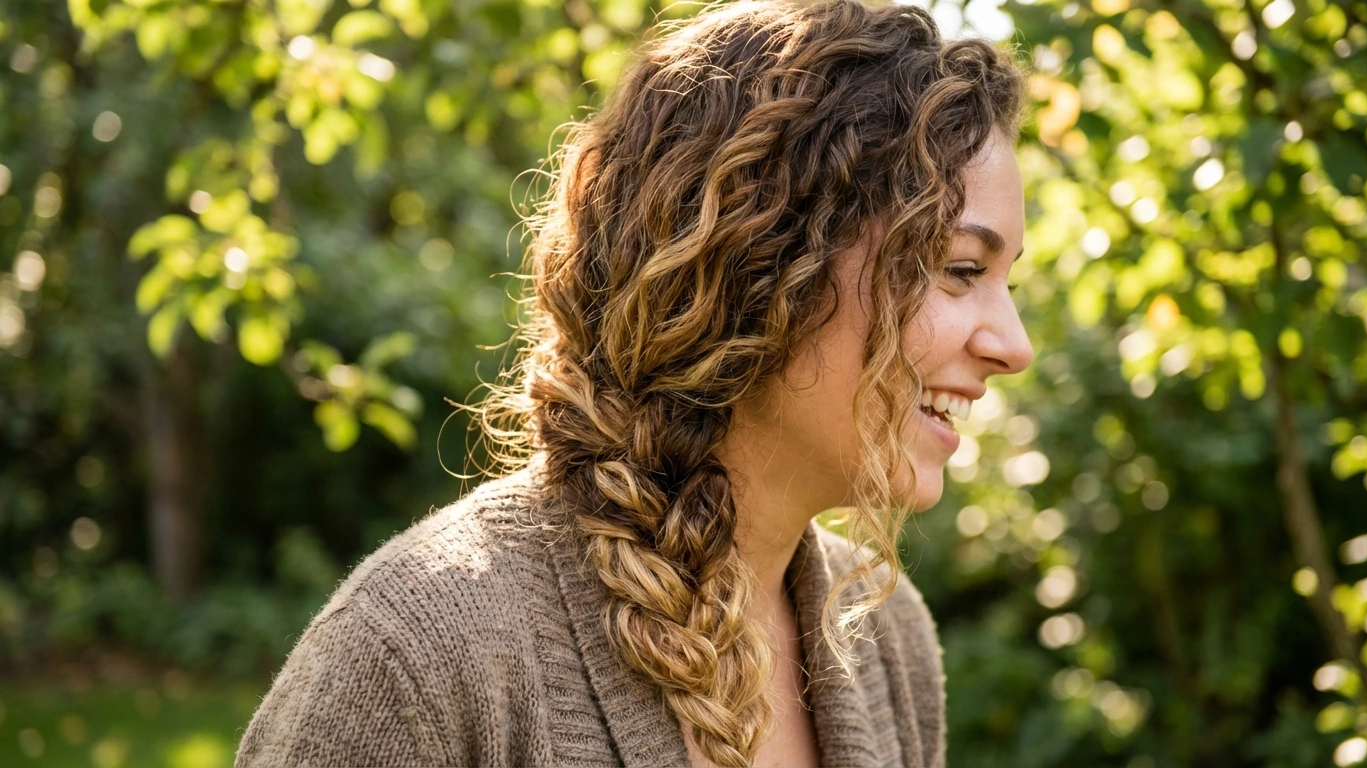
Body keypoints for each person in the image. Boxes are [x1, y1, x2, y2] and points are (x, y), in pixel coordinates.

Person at [234, 0, 1031, 765]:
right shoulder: (422, 655)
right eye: (960, 269)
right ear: (760, 264)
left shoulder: (888, 645)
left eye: (1008, 283)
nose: (1014, 346)